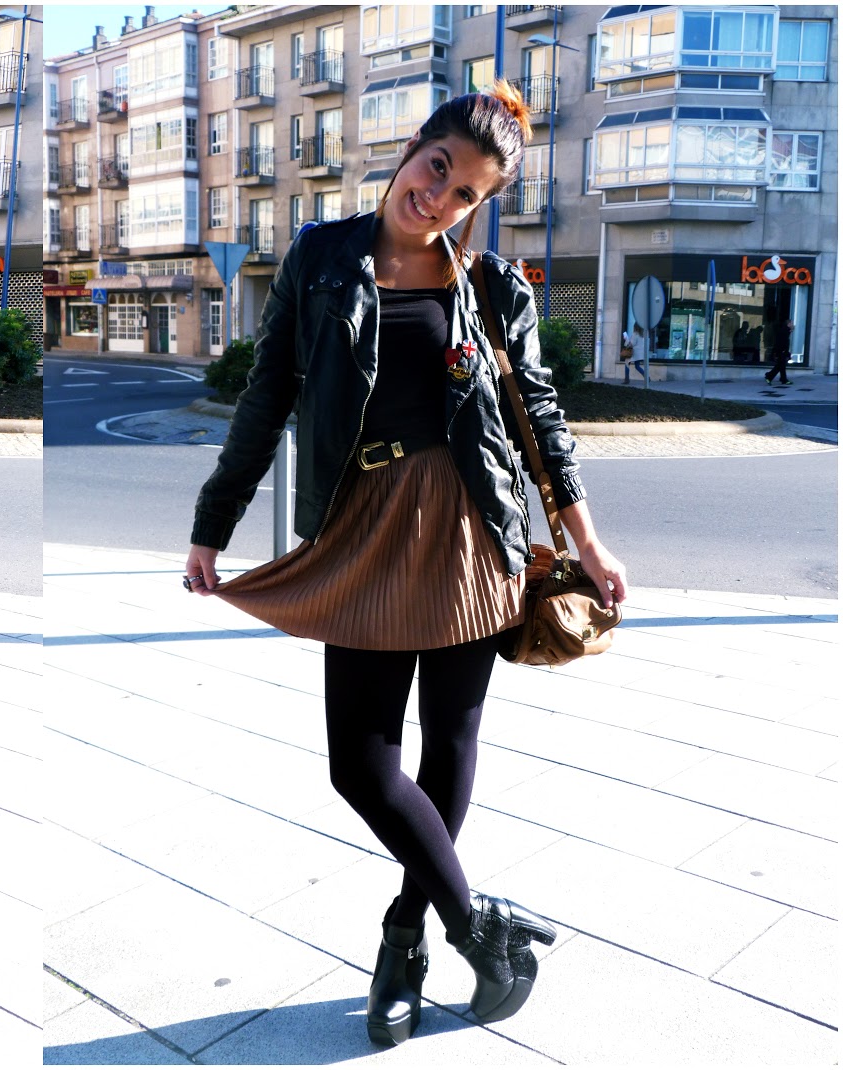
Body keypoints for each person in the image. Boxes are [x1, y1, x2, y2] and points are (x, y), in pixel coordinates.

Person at [184, 82, 626, 1047]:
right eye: (438, 168)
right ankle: (482, 927)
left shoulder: (491, 287)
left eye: (467, 193)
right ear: (413, 147)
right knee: (360, 765)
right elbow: (267, 396)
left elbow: (538, 416)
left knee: (448, 744)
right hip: (363, 524)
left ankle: (406, 940)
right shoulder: (320, 259)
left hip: (471, 529)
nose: (440, 196)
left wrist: (587, 539)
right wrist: (214, 523)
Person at [765, 318, 794, 385]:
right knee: (780, 366)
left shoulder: (785, 330)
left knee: (781, 366)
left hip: (781, 351)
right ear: (788, 324)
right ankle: (769, 376)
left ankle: (783, 379)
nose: (792, 325)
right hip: (781, 351)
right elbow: (783, 342)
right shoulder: (785, 331)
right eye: (791, 323)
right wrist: (784, 351)